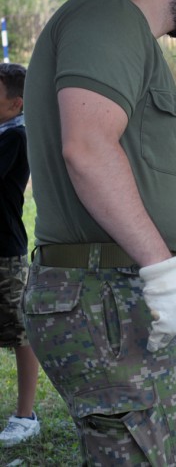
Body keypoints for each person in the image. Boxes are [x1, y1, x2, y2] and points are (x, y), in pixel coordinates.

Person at [21, 0, 176, 463]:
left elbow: (162, 198)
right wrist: (163, 274)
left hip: (125, 293)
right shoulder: (108, 16)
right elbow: (88, 149)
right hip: (107, 295)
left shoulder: (134, 42)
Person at [0, 63, 41, 448]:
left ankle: (26, 415)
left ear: (16, 103)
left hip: (5, 254)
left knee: (19, 332)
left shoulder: (16, 135)